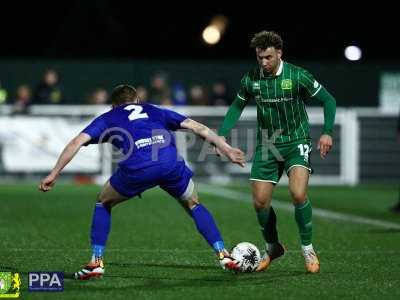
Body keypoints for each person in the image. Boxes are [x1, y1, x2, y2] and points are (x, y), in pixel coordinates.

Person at [39, 84, 245, 280]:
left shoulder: (109, 116)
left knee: (103, 201)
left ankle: (96, 262)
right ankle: (223, 254)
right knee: (194, 204)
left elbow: (77, 142)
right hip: (169, 164)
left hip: (139, 169)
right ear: (137, 100)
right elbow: (197, 127)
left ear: (113, 105)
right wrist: (225, 148)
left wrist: (54, 173)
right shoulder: (154, 110)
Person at [217, 31, 336, 273]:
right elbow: (237, 105)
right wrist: (221, 135)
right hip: (268, 144)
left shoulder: (297, 75)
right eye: (259, 57)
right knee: (260, 202)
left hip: (296, 141)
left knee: (298, 194)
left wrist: (327, 131)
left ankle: (307, 248)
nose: (263, 62)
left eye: (268, 57)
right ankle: (273, 247)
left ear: (279, 53)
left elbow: (329, 100)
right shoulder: (251, 78)